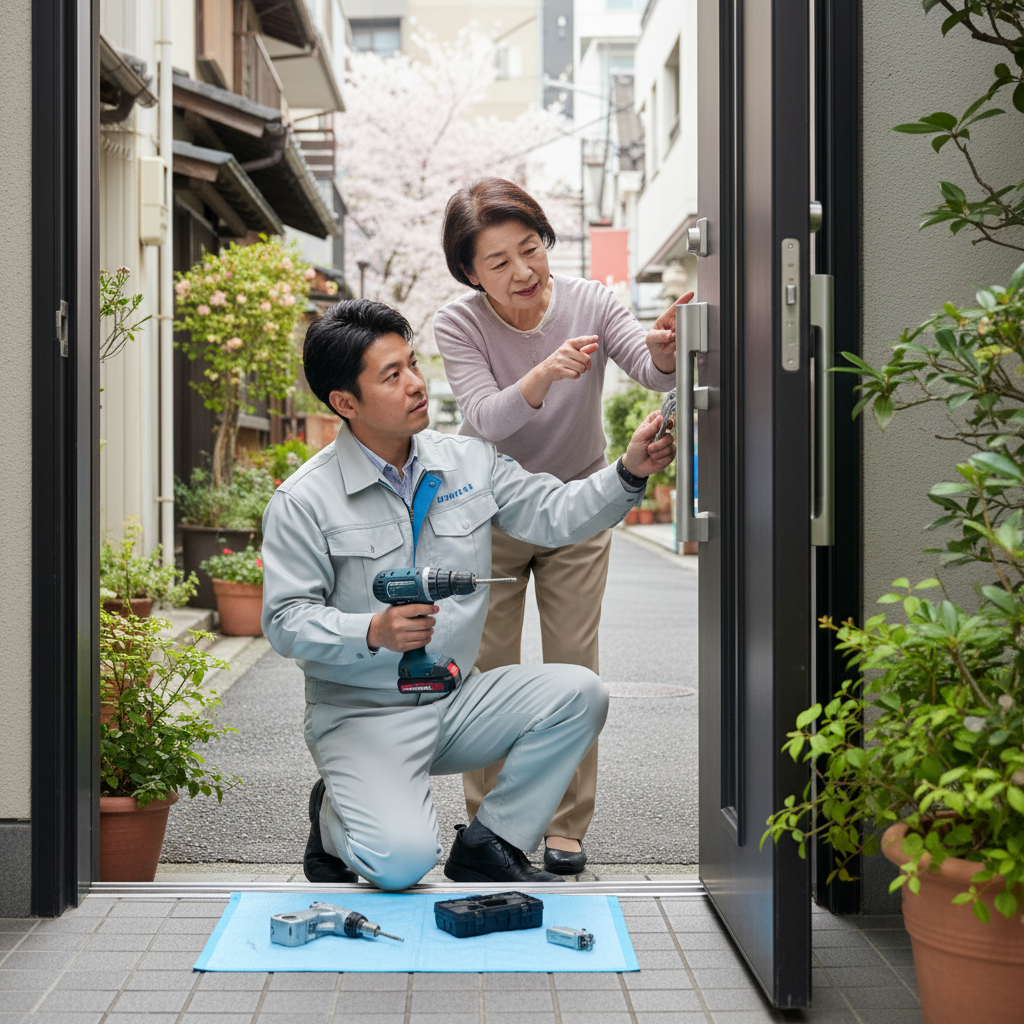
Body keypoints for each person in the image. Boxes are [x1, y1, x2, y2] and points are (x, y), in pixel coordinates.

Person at [260, 299, 675, 893]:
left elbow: (554, 513)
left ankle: (491, 841)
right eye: (392, 376)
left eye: (412, 364)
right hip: (361, 714)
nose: (415, 384)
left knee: (580, 693)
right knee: (401, 865)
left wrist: (628, 471)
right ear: (345, 403)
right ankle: (333, 817)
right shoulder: (304, 500)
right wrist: (370, 631)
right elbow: (285, 621)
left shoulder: (470, 461)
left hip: (453, 698)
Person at [433, 177, 692, 873]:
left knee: (575, 666)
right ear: (470, 273)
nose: (523, 270)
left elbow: (651, 369)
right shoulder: (459, 324)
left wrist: (667, 347)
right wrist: (545, 375)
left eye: (531, 248)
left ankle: (566, 825)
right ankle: (490, 824)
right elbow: (484, 417)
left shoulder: (592, 301)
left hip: (579, 503)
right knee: (488, 672)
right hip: (486, 513)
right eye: (499, 261)